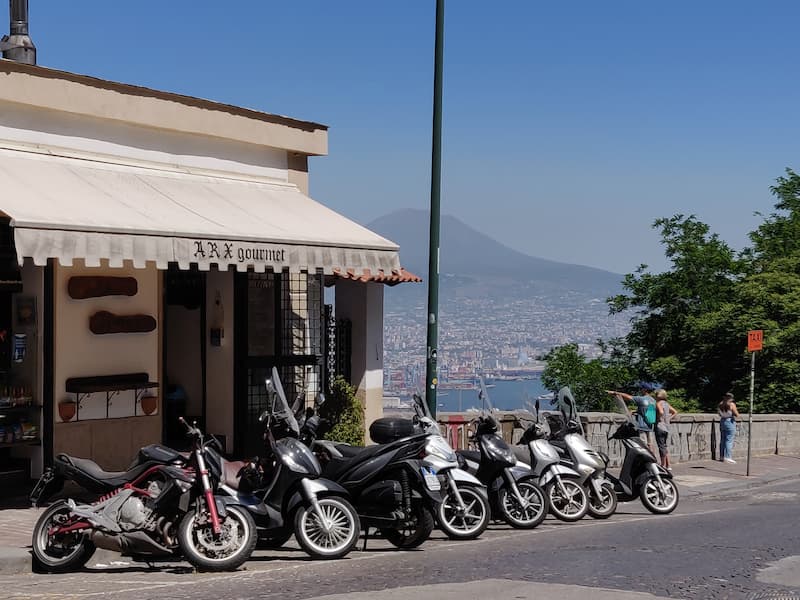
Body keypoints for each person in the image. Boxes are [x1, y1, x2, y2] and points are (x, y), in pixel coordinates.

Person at [606, 383, 656, 453]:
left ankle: (645, 461)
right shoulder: (653, 400)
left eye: (641, 389)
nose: (640, 390)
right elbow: (647, 410)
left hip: (642, 426)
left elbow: (628, 396)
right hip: (651, 426)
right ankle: (653, 460)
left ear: (645, 390)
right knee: (651, 445)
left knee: (643, 445)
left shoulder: (641, 399)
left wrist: (615, 393)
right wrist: (636, 411)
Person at [654, 389, 678, 470]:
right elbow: (675, 412)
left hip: (660, 426)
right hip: (667, 427)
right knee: (665, 446)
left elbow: (660, 412)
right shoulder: (666, 404)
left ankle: (663, 465)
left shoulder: (658, 403)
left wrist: (660, 418)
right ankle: (669, 465)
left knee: (661, 447)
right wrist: (668, 419)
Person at [718, 391, 740, 463]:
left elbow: (719, 414)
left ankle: (721, 456)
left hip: (722, 421)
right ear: (730, 398)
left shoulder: (720, 404)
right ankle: (728, 457)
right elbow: (737, 414)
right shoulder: (731, 404)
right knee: (729, 440)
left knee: (723, 439)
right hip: (729, 421)